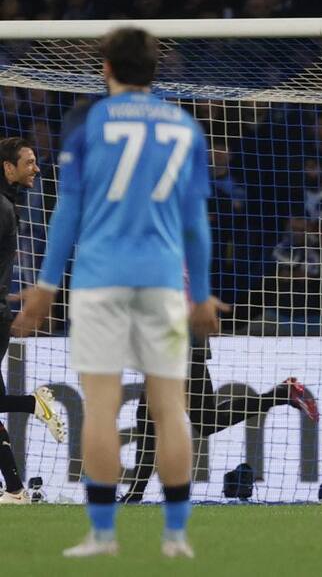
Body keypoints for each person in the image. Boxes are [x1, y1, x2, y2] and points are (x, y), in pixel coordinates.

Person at [13, 27, 223, 557]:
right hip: (161, 283)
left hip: (99, 282)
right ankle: (176, 534)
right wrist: (200, 294)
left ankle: (103, 534)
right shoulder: (184, 128)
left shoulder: (88, 124)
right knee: (171, 406)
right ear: (156, 70)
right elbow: (196, 223)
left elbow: (68, 211)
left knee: (102, 409)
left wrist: (44, 284)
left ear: (105, 66)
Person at [121, 338, 316, 503]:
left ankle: (135, 495)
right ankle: (281, 394)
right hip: (185, 350)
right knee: (206, 421)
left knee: (149, 420)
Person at [0, 137, 65, 505]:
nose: (36, 167)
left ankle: (31, 403)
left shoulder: (3, 207)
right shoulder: (8, 206)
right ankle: (15, 490)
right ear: (8, 168)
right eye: (29, 162)